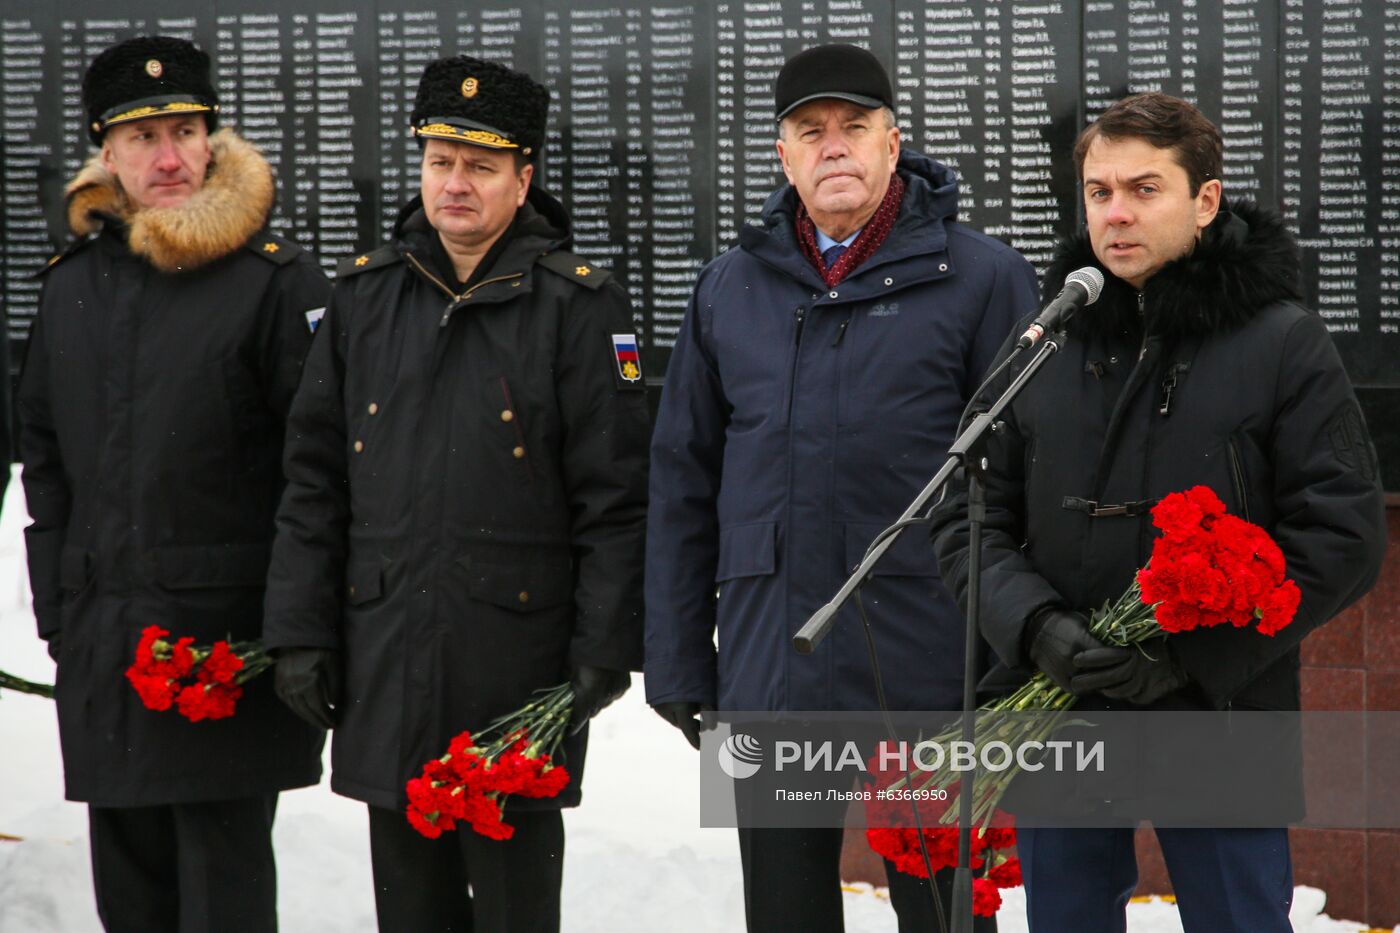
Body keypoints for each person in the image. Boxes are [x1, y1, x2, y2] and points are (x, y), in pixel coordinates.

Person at [930, 92, 1387, 932]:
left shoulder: (1282, 343)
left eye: (1145, 189)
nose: (1116, 213)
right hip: (1061, 703)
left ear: (1205, 201)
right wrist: (1036, 628)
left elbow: (1343, 533)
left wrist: (1189, 655)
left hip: (1219, 716)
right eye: (1099, 192)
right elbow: (967, 514)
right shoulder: (1044, 341)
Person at [644, 43, 1038, 933]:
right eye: (810, 130)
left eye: (854, 127)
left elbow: (1023, 473)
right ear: (782, 155)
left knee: (944, 915)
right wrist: (677, 655)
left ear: (892, 145)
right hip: (773, 660)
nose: (833, 146)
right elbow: (681, 483)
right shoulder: (728, 288)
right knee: (784, 910)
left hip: (932, 662)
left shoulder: (982, 279)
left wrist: (1010, 652)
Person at [261, 55, 649, 933]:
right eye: (440, 161)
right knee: (410, 911)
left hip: (515, 672)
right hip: (386, 657)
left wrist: (605, 645)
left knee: (515, 911)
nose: (456, 183)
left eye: (481, 165)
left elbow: (616, 497)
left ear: (524, 178)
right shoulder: (363, 299)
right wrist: (298, 629)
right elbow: (313, 482)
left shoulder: (577, 307)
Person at [17, 35, 330, 933]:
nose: (168, 157)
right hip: (106, 652)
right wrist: (62, 614)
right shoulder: (70, 286)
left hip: (220, 651)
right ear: (106, 153)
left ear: (210, 140)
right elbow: (46, 462)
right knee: (131, 899)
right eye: (143, 137)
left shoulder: (271, 281)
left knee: (223, 899)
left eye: (185, 132)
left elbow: (315, 470)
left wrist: (295, 628)